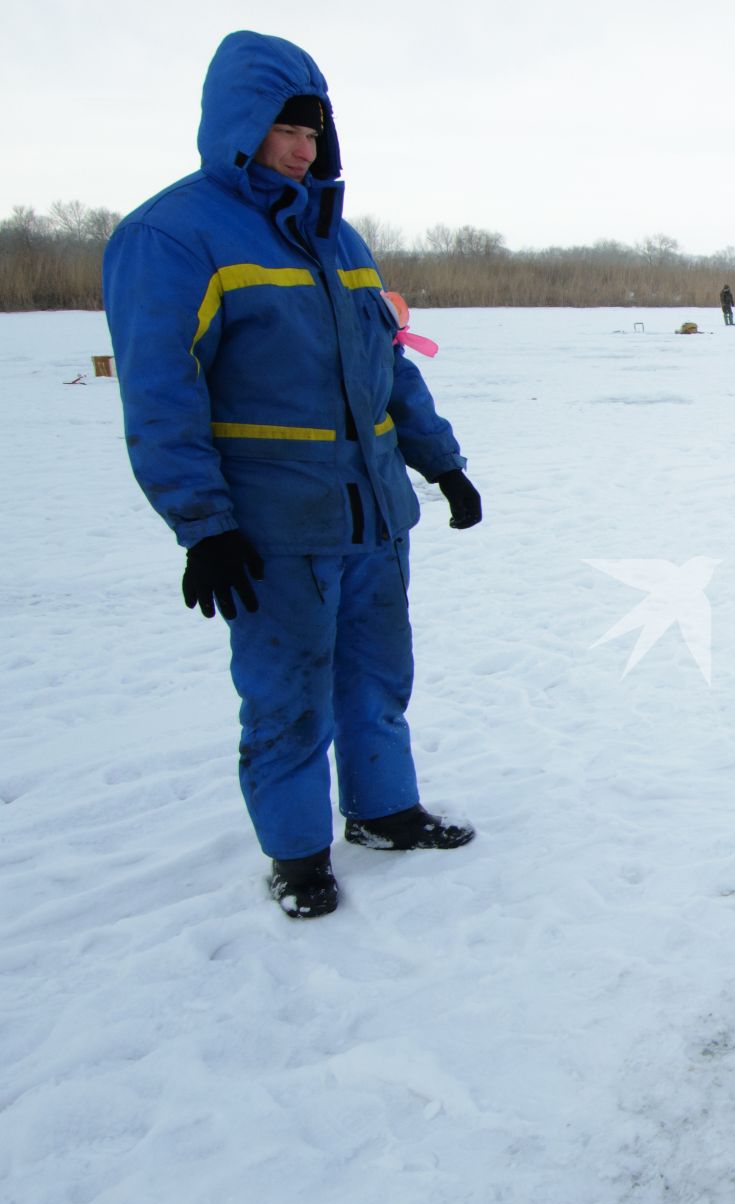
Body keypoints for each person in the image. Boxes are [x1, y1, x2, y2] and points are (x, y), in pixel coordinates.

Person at [102, 31, 481, 920]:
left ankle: (386, 810)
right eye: (287, 126)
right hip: (274, 527)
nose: (305, 146)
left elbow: (391, 365)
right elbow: (160, 396)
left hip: (373, 517)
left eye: (316, 129)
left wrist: (443, 462)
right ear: (240, 125)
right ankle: (298, 854)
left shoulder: (336, 234)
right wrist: (206, 525)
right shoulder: (172, 235)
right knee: (287, 697)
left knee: (379, 677)